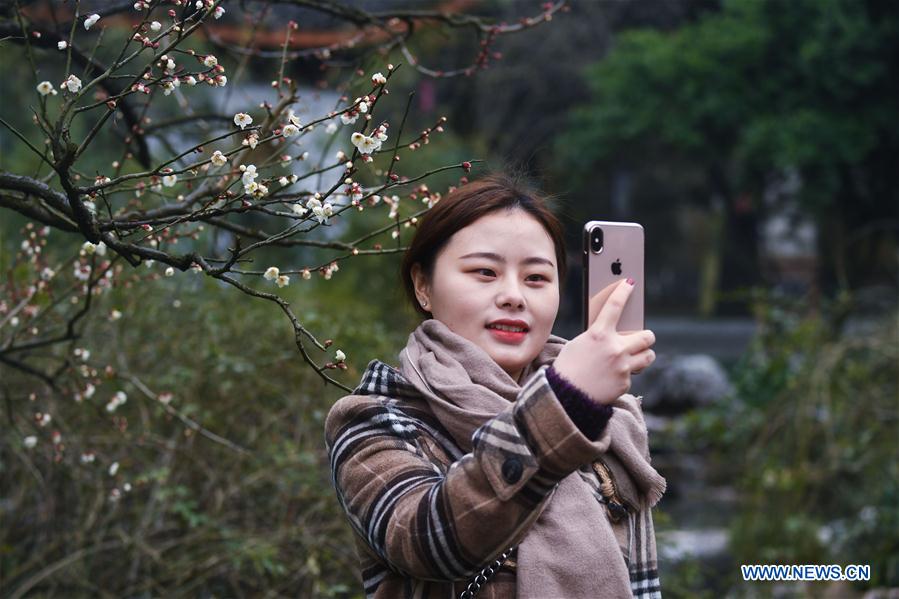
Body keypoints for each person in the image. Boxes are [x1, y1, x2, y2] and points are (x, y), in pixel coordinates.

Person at [325, 173, 665, 599]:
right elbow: (427, 541)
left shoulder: (609, 416)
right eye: (485, 272)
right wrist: (563, 405)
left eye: (536, 278)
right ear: (423, 285)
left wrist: (577, 401)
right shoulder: (371, 420)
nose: (513, 296)